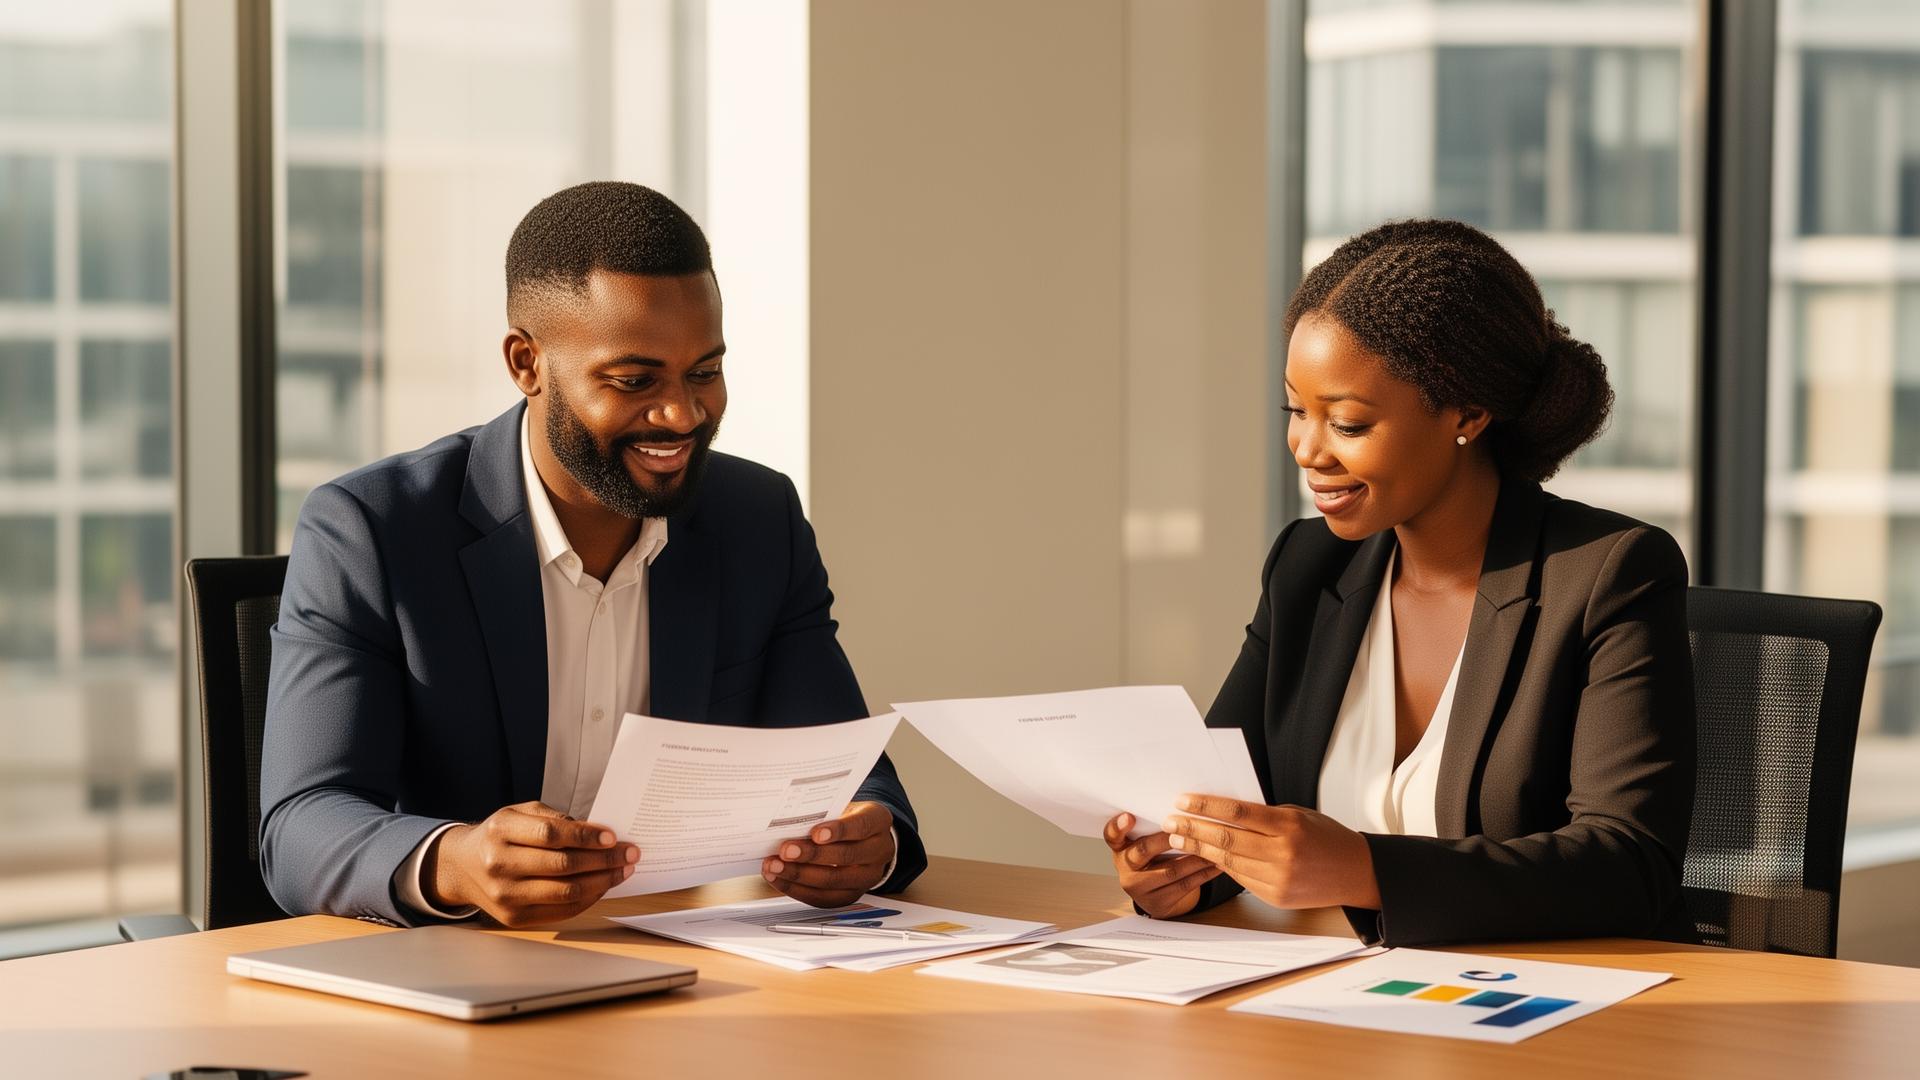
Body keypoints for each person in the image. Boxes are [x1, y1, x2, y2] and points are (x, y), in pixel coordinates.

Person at [261, 181, 924, 928]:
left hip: (694, 964)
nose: (682, 414)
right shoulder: (371, 531)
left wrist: (871, 842)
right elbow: (299, 824)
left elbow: (850, 773)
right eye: (635, 380)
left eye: (704, 371)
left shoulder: (756, 521)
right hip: (460, 971)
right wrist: (456, 863)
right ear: (527, 363)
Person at [1104, 219, 1695, 946]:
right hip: (1329, 1002)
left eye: (1348, 423)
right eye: (1296, 411)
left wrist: (1365, 868)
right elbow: (1228, 807)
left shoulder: (1609, 573)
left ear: (1468, 415)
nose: (1307, 450)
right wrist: (1177, 874)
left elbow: (1628, 866)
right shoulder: (1308, 567)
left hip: (1530, 1011)